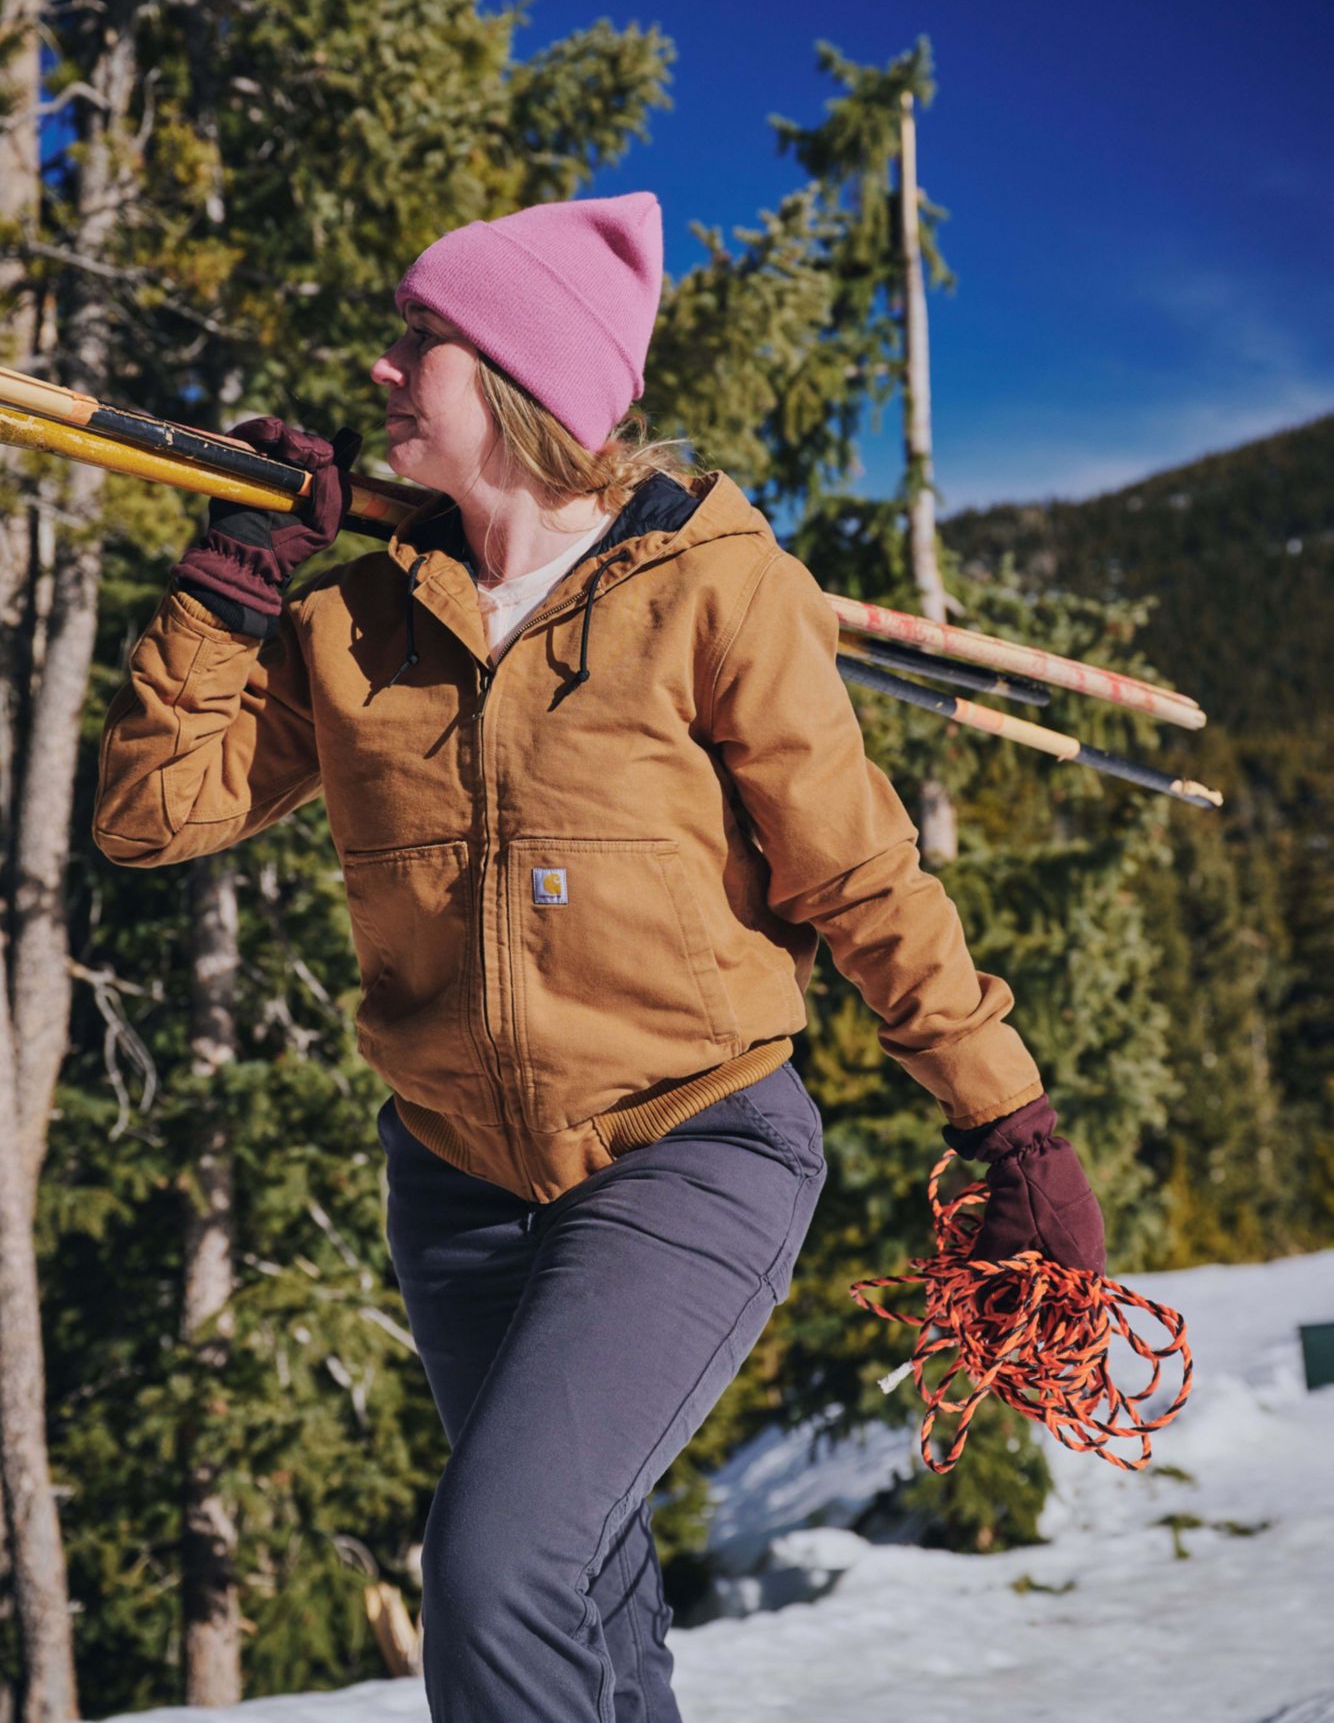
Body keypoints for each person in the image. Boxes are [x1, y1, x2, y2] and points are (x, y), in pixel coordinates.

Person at [93, 191, 1106, 1721]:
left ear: (515, 383)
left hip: (687, 1149)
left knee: (498, 1571)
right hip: (456, 1180)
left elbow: (856, 874)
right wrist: (230, 588)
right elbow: (150, 819)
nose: (379, 373)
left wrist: (1004, 1118)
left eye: (415, 342)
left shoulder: (710, 587)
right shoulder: (360, 619)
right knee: (579, 1586)